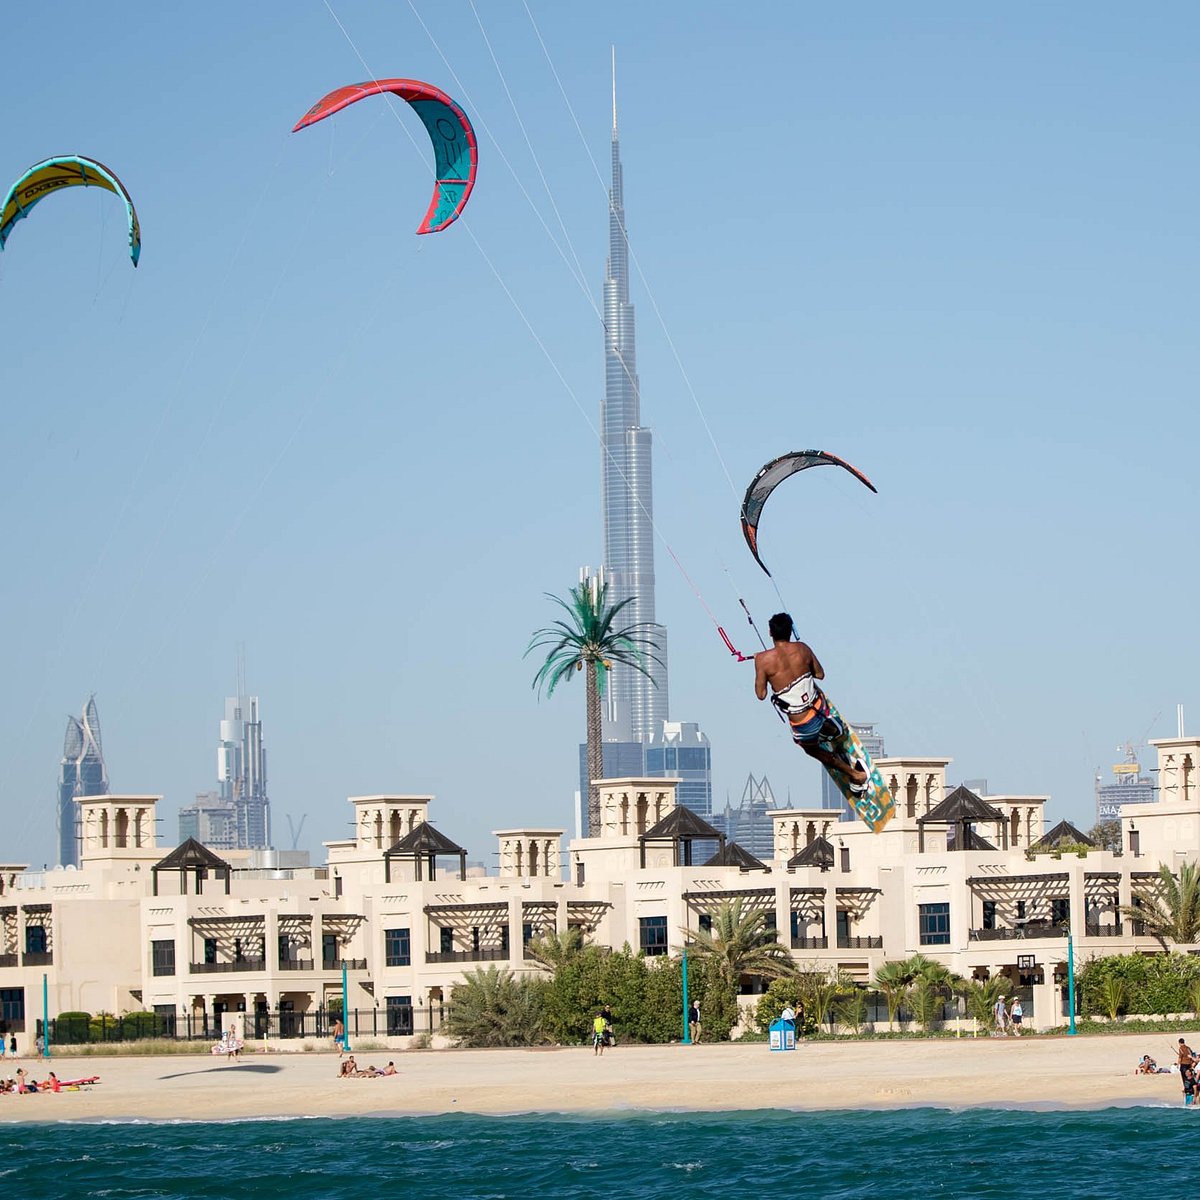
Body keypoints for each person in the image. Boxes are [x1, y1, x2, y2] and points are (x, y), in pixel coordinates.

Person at [754, 613, 869, 791]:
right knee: (813, 691)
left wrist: (761, 668)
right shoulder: (803, 648)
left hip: (803, 723)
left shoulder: (762, 660)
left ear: (770, 632)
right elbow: (820, 675)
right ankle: (831, 729)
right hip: (820, 708)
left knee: (812, 750)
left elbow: (761, 694)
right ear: (790, 630)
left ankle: (856, 775)